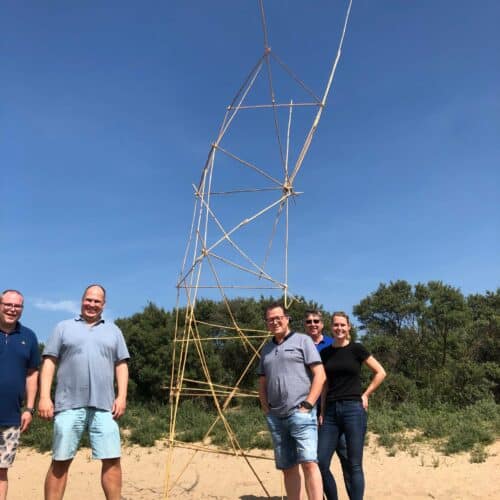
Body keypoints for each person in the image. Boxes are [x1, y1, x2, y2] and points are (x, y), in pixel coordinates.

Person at [38, 284, 130, 500]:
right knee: (60, 461)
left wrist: (122, 396)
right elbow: (49, 362)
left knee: (112, 460)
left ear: (103, 305)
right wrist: (44, 397)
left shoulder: (114, 330)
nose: (92, 304)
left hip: (105, 407)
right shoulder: (63, 327)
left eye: (97, 301)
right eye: (89, 299)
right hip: (68, 404)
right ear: (82, 300)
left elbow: (121, 364)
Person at [258, 302, 326, 500]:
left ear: (287, 319)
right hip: (276, 416)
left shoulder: (302, 341)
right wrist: (266, 408)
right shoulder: (266, 349)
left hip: (300, 413)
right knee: (287, 467)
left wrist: (308, 404)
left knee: (309, 463)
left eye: (278, 318)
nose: (274, 322)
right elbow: (262, 382)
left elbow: (320, 374)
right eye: (270, 319)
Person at [318, 312, 386, 500]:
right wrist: (322, 411)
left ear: (349, 327)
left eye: (342, 325)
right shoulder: (325, 353)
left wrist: (366, 394)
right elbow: (324, 385)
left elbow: (380, 372)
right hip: (331, 412)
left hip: (353, 410)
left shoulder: (357, 349)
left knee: (354, 464)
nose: (339, 328)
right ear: (331, 327)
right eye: (336, 325)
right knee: (320, 462)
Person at [304, 310, 351, 497]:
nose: (313, 324)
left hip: (333, 407)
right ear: (305, 325)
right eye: (309, 321)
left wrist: (362, 396)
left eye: (316, 321)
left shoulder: (333, 344)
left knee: (346, 457)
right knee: (318, 461)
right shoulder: (301, 345)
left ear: (323, 324)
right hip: (309, 409)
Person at [0, 290, 40, 500]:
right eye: (8, 304)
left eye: (17, 306)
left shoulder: (29, 337)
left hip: (11, 417)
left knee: (1, 471)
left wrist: (29, 409)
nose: (12, 309)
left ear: (22, 309)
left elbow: (32, 374)